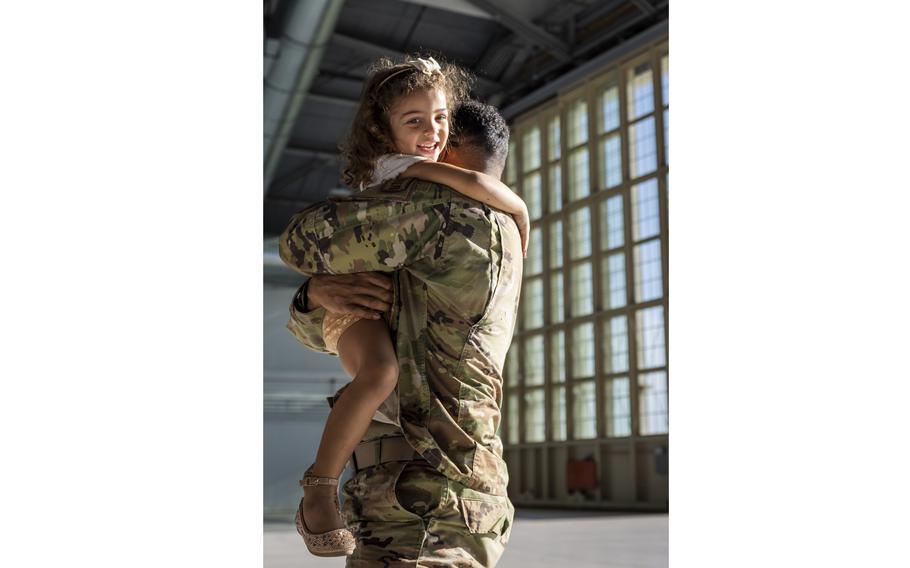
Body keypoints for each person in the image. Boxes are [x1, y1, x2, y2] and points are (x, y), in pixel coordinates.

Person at [282, 55, 529, 559]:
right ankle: (320, 487)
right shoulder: (459, 224)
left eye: (440, 121)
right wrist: (317, 296)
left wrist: (313, 290)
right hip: (421, 494)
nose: (430, 133)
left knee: (378, 372)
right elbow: (346, 317)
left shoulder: (445, 213)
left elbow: (302, 240)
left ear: (455, 149)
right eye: (414, 121)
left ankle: (317, 486)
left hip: (424, 499)